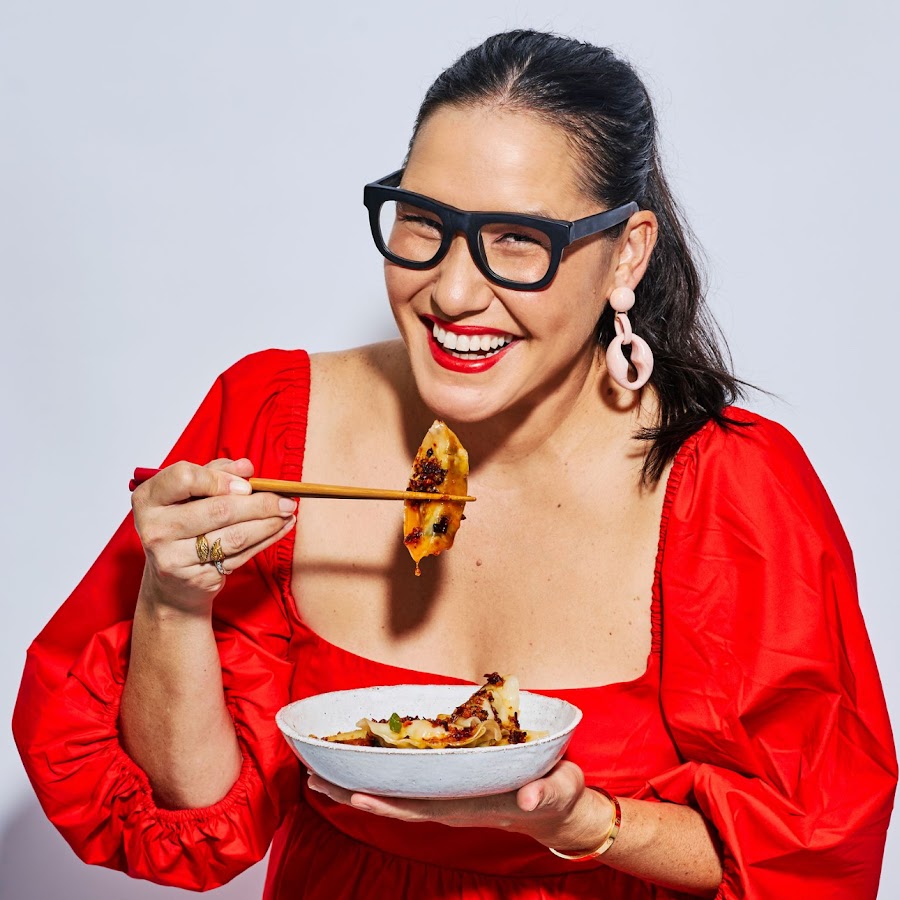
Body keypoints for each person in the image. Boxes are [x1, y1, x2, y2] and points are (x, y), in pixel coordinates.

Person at [12, 29, 897, 899]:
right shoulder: (273, 423)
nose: (453, 291)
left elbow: (809, 856)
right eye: (425, 223)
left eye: (518, 239)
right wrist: (173, 598)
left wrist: (582, 824)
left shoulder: (729, 489)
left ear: (626, 252)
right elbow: (193, 822)